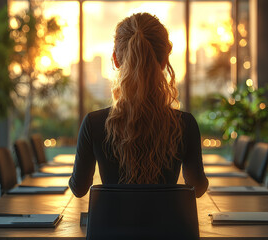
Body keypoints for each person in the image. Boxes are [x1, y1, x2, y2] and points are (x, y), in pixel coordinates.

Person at [69, 12, 208, 198]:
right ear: (165, 60)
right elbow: (197, 188)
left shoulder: (93, 123)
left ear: (116, 60)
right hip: (167, 227)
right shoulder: (185, 124)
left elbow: (78, 189)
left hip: (111, 227)